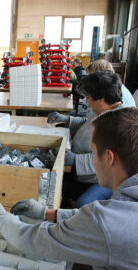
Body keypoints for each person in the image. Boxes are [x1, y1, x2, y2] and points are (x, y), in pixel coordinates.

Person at [0, 107, 138, 270]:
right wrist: (48, 213)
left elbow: (28, 239)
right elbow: (107, 219)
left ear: (108, 158)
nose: (91, 160)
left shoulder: (109, 222)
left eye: (92, 153)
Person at [47, 72, 126, 207]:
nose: (86, 101)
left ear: (101, 98)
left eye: (88, 97)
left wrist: (75, 159)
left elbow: (106, 160)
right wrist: (67, 120)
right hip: (82, 175)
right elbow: (87, 123)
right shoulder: (104, 111)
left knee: (83, 204)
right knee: (50, 186)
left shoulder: (119, 123)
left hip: (102, 180)